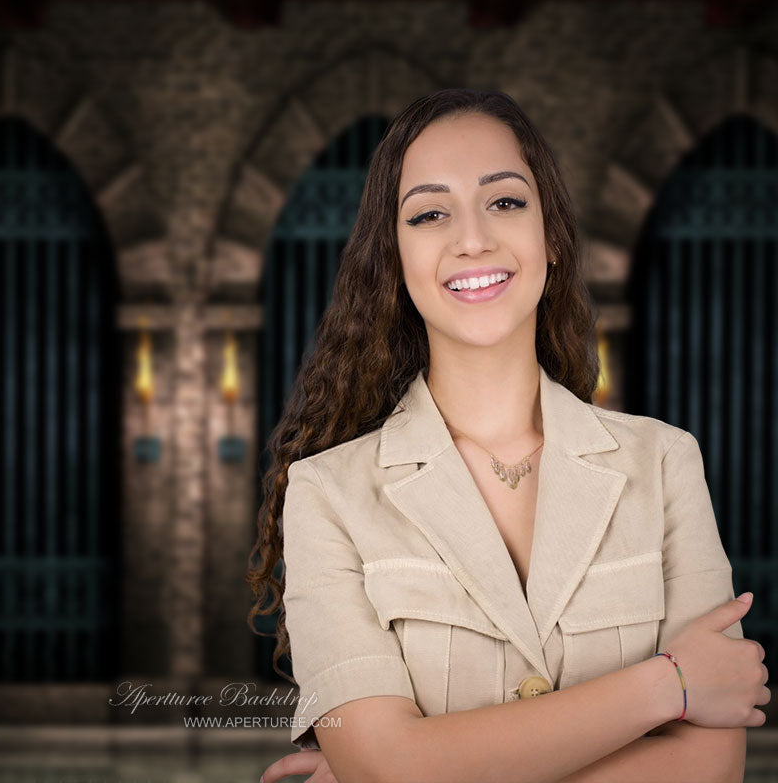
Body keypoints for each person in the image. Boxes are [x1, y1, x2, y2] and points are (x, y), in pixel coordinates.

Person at [247, 88, 770, 783]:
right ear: (395, 261)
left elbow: (710, 768)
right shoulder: (327, 495)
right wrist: (667, 686)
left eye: (505, 201)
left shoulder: (666, 463)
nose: (473, 238)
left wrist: (418, 766)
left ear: (550, 235)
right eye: (430, 214)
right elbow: (386, 768)